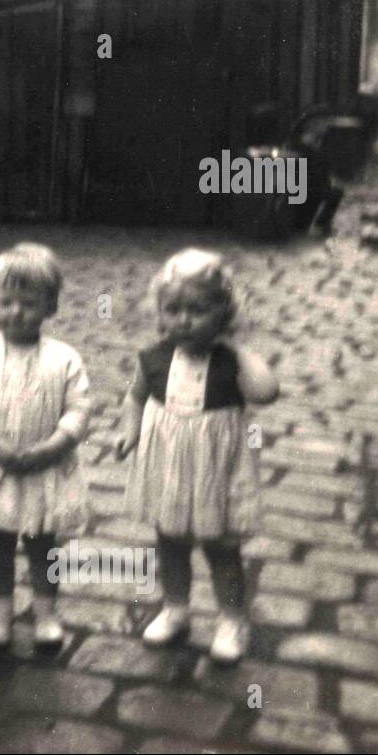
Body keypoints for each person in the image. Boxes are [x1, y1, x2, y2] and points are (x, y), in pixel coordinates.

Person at [115, 249, 280, 664]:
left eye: (198, 310)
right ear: (159, 313)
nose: (183, 321)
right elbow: (134, 398)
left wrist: (236, 347)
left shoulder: (229, 361)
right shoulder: (153, 358)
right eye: (172, 310)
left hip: (215, 469)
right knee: (169, 542)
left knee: (221, 547)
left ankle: (231, 618)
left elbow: (266, 391)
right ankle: (176, 607)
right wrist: (130, 431)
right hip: (169, 466)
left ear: (223, 314)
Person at [0, 244, 91, 652]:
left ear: (50, 307)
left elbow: (79, 408)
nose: (16, 312)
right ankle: (0, 612)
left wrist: (56, 444)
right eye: (6, 302)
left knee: (42, 544)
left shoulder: (64, 359)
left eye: (29, 303)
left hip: (45, 466)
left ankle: (46, 613)